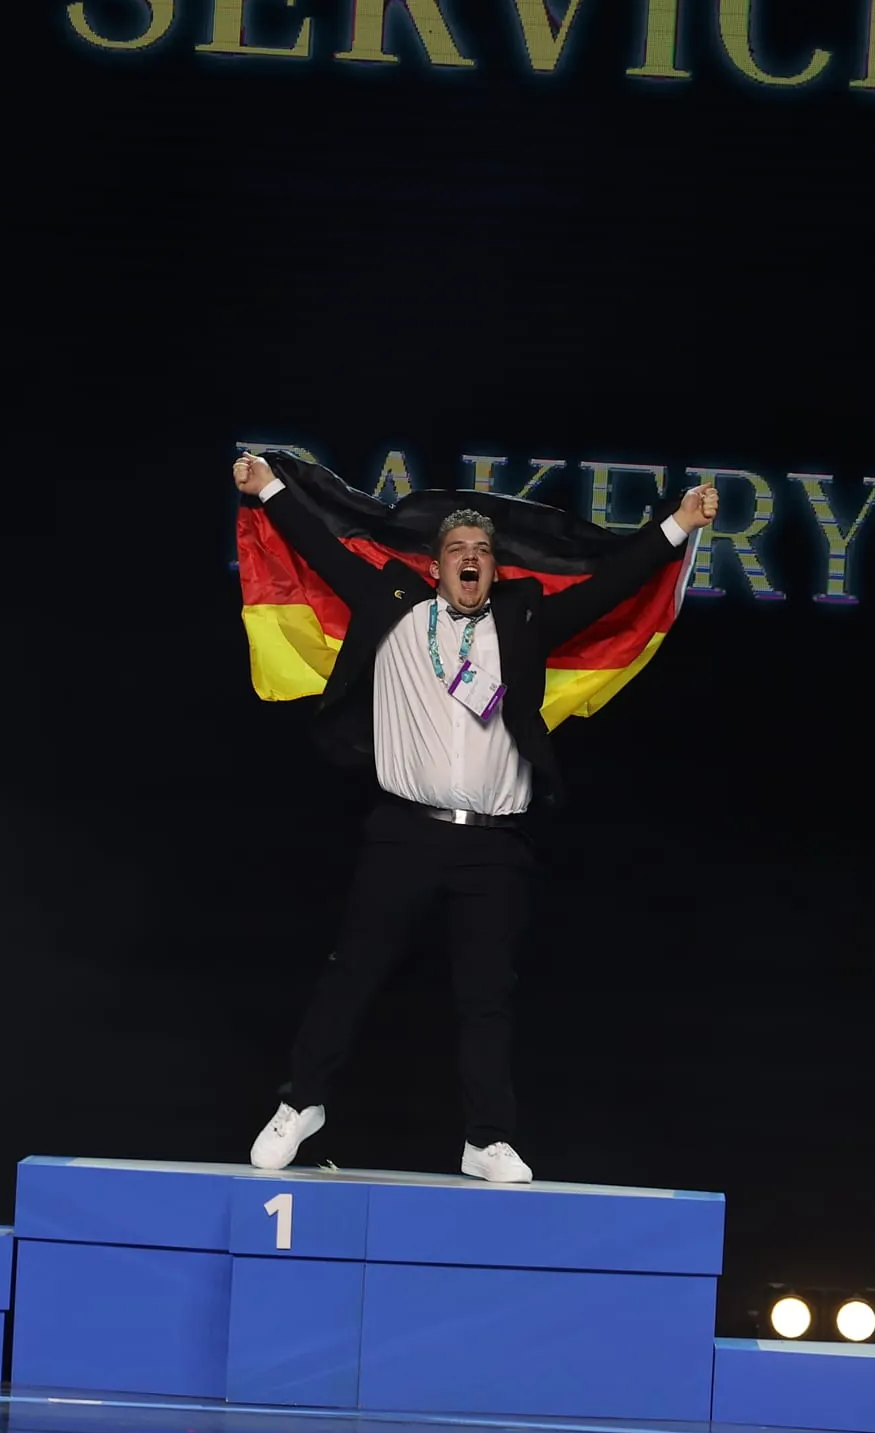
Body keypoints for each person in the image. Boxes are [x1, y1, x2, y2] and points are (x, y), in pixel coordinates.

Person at [231, 450, 717, 1184]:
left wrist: (677, 523)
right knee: (352, 973)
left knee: (486, 996)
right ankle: (301, 1104)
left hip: (493, 846)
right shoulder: (394, 607)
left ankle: (486, 1139)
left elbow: (610, 587)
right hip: (404, 833)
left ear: (493, 569)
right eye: (458, 548)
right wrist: (266, 485)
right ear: (435, 567)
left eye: (483, 550)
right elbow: (319, 546)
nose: (470, 557)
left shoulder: (524, 621)